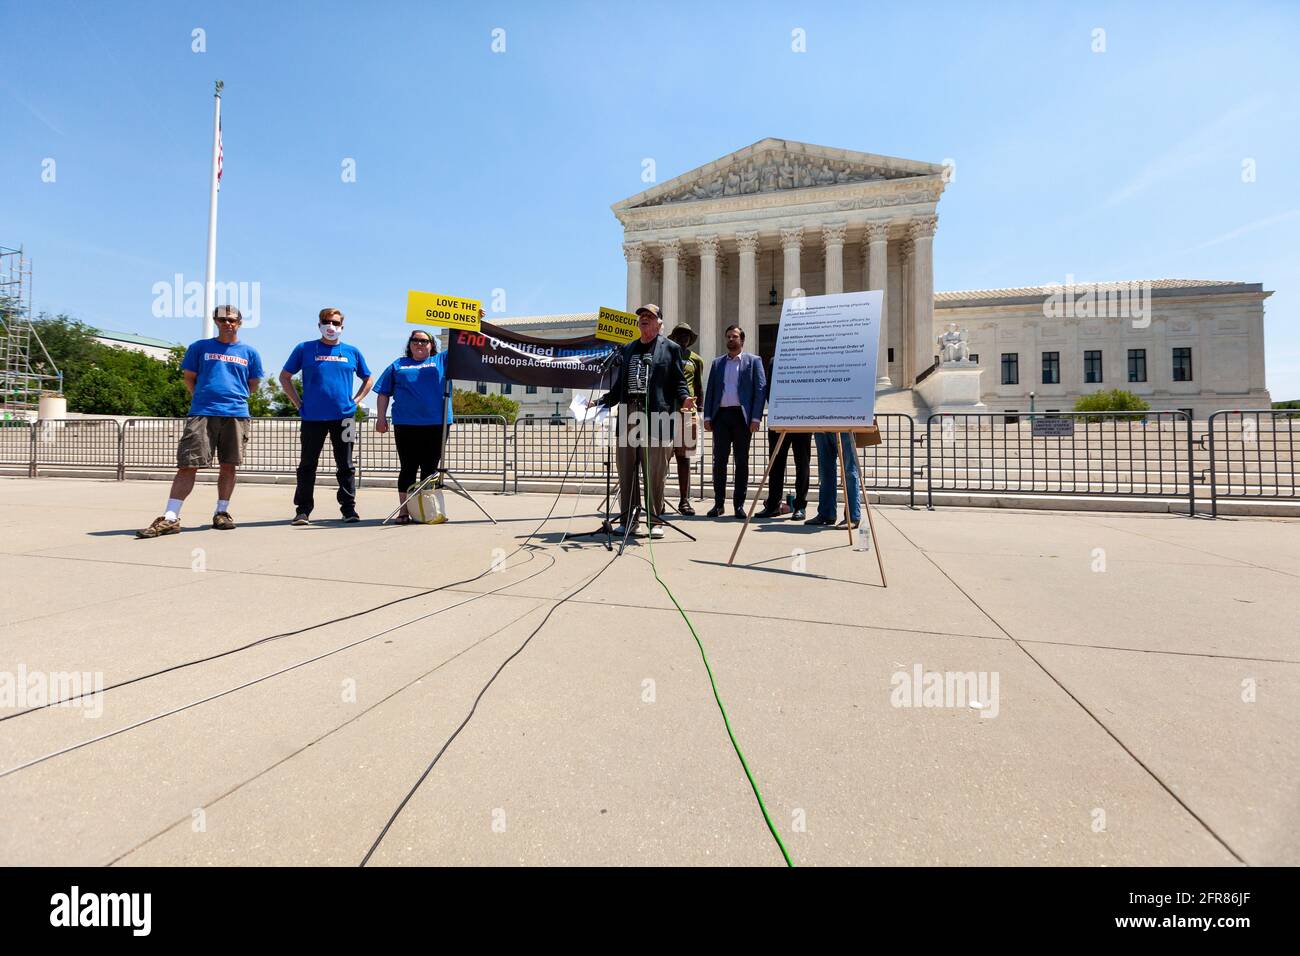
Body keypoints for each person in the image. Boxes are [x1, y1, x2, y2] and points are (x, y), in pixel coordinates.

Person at [136, 304, 263, 537]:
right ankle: (171, 517)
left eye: (232, 320)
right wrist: (204, 398)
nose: (228, 323)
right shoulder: (200, 348)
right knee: (188, 464)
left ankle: (221, 512)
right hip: (203, 412)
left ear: (240, 323)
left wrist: (234, 397)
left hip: (236, 413)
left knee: (229, 465)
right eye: (223, 319)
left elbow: (253, 384)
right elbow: (189, 378)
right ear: (215, 321)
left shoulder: (250, 353)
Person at [596, 304, 693, 538]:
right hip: (629, 412)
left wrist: (685, 398)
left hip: (657, 414)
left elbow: (678, 380)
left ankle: (655, 519)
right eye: (641, 317)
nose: (644, 320)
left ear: (660, 323)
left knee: (655, 471)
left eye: (650, 317)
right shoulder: (628, 348)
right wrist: (601, 402)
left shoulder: (670, 349)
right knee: (626, 468)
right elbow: (619, 385)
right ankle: (629, 519)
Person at [280, 308, 374, 525]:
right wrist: (298, 403)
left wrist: (356, 401)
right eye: (326, 322)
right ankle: (303, 510)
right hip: (312, 418)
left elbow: (368, 378)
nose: (330, 326)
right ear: (319, 324)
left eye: (335, 322)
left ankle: (348, 509)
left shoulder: (352, 351)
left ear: (342, 326)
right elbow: (285, 377)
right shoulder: (304, 349)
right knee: (307, 465)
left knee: (346, 465)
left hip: (345, 418)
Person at [374, 329, 452, 525]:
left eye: (424, 341)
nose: (419, 344)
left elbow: (464, 344)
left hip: (437, 424)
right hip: (406, 423)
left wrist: (474, 320)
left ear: (431, 345)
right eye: (415, 340)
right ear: (409, 344)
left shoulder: (442, 360)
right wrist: (381, 418)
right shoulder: (398, 365)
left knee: (429, 469)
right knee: (408, 467)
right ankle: (404, 511)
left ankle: (426, 511)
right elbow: (383, 393)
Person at [701, 324, 766, 518]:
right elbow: (711, 389)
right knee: (719, 461)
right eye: (728, 336)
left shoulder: (753, 361)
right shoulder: (717, 363)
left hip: (742, 417)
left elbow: (760, 390)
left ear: (742, 340)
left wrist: (755, 417)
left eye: (735, 336)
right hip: (721, 416)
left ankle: (739, 505)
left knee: (742, 461)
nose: (731, 339)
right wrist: (707, 416)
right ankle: (718, 503)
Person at [754, 356, 811, 520]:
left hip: (802, 419)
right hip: (779, 418)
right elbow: (769, 389)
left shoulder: (808, 360)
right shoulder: (774, 361)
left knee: (802, 463)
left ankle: (800, 506)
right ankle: (773, 505)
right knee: (776, 463)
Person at [668, 321, 705, 515]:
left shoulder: (696, 360)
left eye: (687, 335)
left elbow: (699, 386)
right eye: (680, 334)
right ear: (673, 337)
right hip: (665, 412)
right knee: (661, 459)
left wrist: (700, 410)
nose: (683, 338)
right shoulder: (665, 356)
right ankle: (658, 499)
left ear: (691, 339)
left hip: (687, 415)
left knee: (684, 458)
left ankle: (684, 500)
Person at [807, 432, 863, 527]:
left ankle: (852, 516)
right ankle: (827, 513)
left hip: (845, 424)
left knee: (849, 471)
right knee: (825, 472)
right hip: (821, 425)